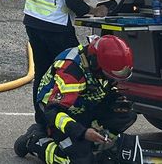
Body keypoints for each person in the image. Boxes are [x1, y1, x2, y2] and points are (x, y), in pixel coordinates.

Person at [23, 0, 108, 116]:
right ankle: (71, 116)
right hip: (57, 28)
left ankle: (41, 118)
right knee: (75, 69)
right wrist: (93, 11)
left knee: (42, 72)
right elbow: (74, 2)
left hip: (32, 23)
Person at [14, 35, 137, 164]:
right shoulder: (72, 72)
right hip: (57, 115)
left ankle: (98, 144)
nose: (114, 80)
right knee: (77, 161)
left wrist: (114, 99)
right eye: (110, 75)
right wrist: (82, 132)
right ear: (96, 64)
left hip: (83, 106)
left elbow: (103, 86)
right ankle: (34, 140)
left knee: (126, 114)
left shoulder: (97, 63)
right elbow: (53, 112)